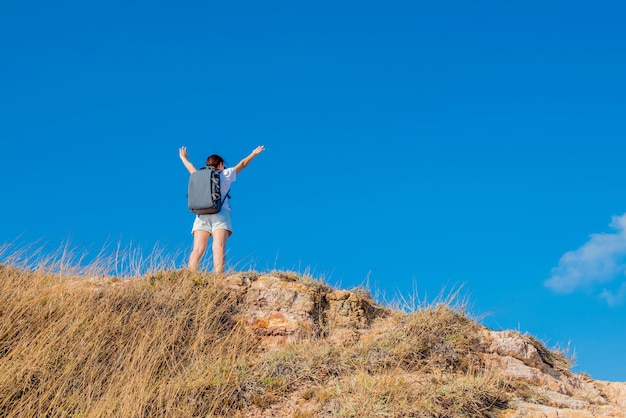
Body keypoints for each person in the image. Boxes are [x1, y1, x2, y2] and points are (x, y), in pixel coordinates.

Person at [179, 145, 265, 272]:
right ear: (220, 164)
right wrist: (253, 153)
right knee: (218, 246)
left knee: (197, 249)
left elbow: (190, 167)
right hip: (220, 213)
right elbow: (242, 164)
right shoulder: (225, 174)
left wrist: (183, 157)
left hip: (201, 214)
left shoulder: (198, 175)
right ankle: (218, 276)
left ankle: (190, 275)